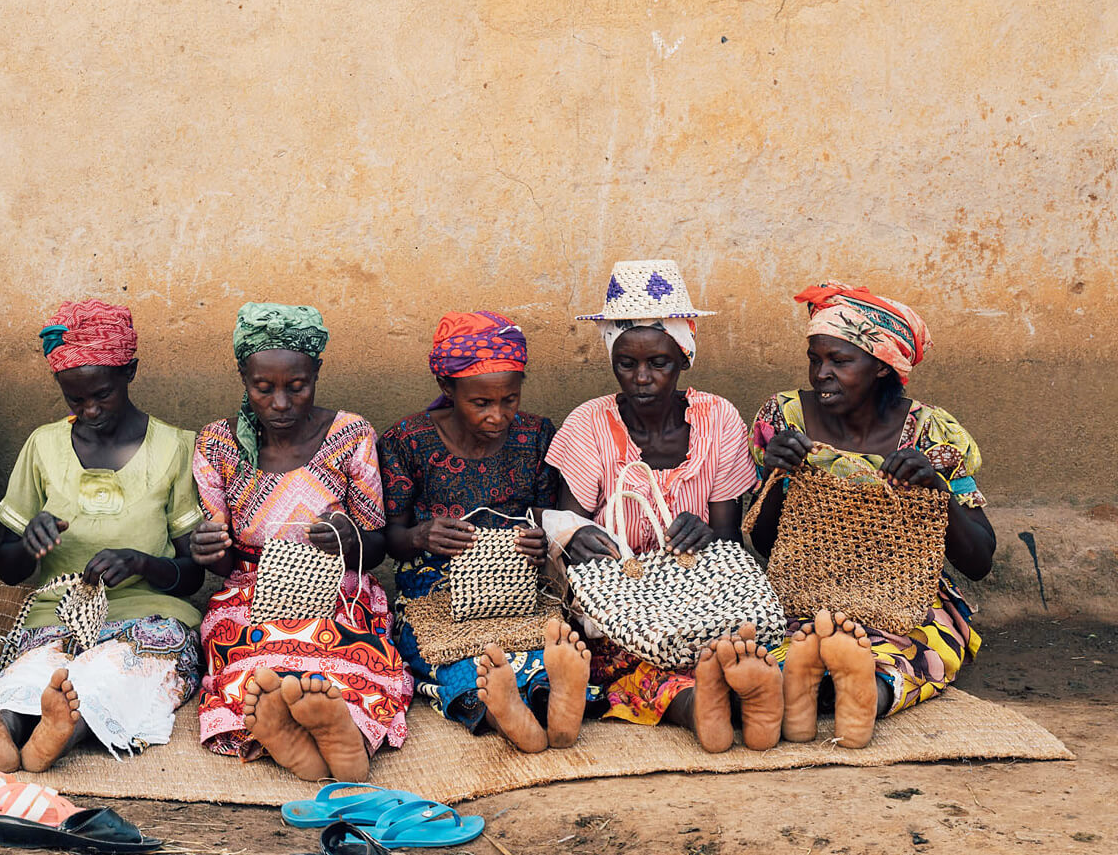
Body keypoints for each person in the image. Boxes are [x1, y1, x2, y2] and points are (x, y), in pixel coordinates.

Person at [0, 300, 206, 772]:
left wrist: (142, 563)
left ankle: (59, 734)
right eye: (75, 400)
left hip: (150, 616)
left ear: (130, 372)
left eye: (101, 394)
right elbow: (10, 566)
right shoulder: (44, 446)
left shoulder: (174, 448)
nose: (90, 409)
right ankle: (0, 729)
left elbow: (190, 576)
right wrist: (28, 542)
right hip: (56, 617)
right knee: (34, 674)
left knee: (117, 675)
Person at [547, 260, 783, 753]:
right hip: (626, 601)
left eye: (659, 363)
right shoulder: (589, 423)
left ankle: (737, 689)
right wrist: (578, 536)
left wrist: (703, 530)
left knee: (743, 634)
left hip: (700, 591)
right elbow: (570, 527)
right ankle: (699, 706)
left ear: (684, 358)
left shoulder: (717, 418)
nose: (642, 377)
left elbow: (727, 536)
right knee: (618, 658)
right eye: (627, 363)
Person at [748, 283, 996, 749]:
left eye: (840, 362)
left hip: (905, 598)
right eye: (814, 358)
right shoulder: (784, 420)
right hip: (805, 587)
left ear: (883, 367)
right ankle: (807, 685)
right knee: (776, 643)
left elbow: (980, 560)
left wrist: (936, 490)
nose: (822, 373)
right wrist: (776, 475)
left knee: (913, 651)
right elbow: (765, 544)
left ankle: (866, 695)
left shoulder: (932, 436)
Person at [190, 303, 411, 782]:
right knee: (255, 650)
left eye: (297, 387)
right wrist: (208, 547)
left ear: (317, 373)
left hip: (340, 586)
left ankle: (339, 731)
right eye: (262, 389)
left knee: (345, 648)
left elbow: (376, 547)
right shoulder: (218, 444)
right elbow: (224, 560)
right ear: (242, 377)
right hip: (251, 591)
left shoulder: (350, 435)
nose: (281, 404)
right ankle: (296, 737)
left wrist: (350, 539)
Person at [380, 311, 591, 753]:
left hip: (519, 585)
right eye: (481, 403)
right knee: (452, 652)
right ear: (447, 388)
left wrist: (541, 540)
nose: (498, 416)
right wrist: (420, 537)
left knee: (542, 639)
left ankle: (554, 705)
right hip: (433, 590)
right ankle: (504, 715)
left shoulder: (535, 435)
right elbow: (389, 539)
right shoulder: (408, 440)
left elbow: (545, 516)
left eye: (509, 400)